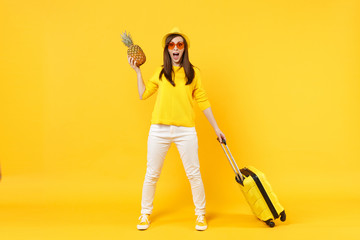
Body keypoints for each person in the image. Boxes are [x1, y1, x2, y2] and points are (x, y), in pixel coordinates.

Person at [128, 27, 226, 231]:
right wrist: (138, 72)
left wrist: (216, 128)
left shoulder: (194, 73)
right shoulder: (160, 72)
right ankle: (145, 213)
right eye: (171, 45)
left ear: (184, 49)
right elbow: (142, 94)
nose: (175, 48)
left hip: (185, 131)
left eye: (179, 44)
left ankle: (200, 215)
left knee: (194, 174)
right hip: (159, 130)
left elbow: (203, 100)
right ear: (167, 49)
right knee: (152, 174)